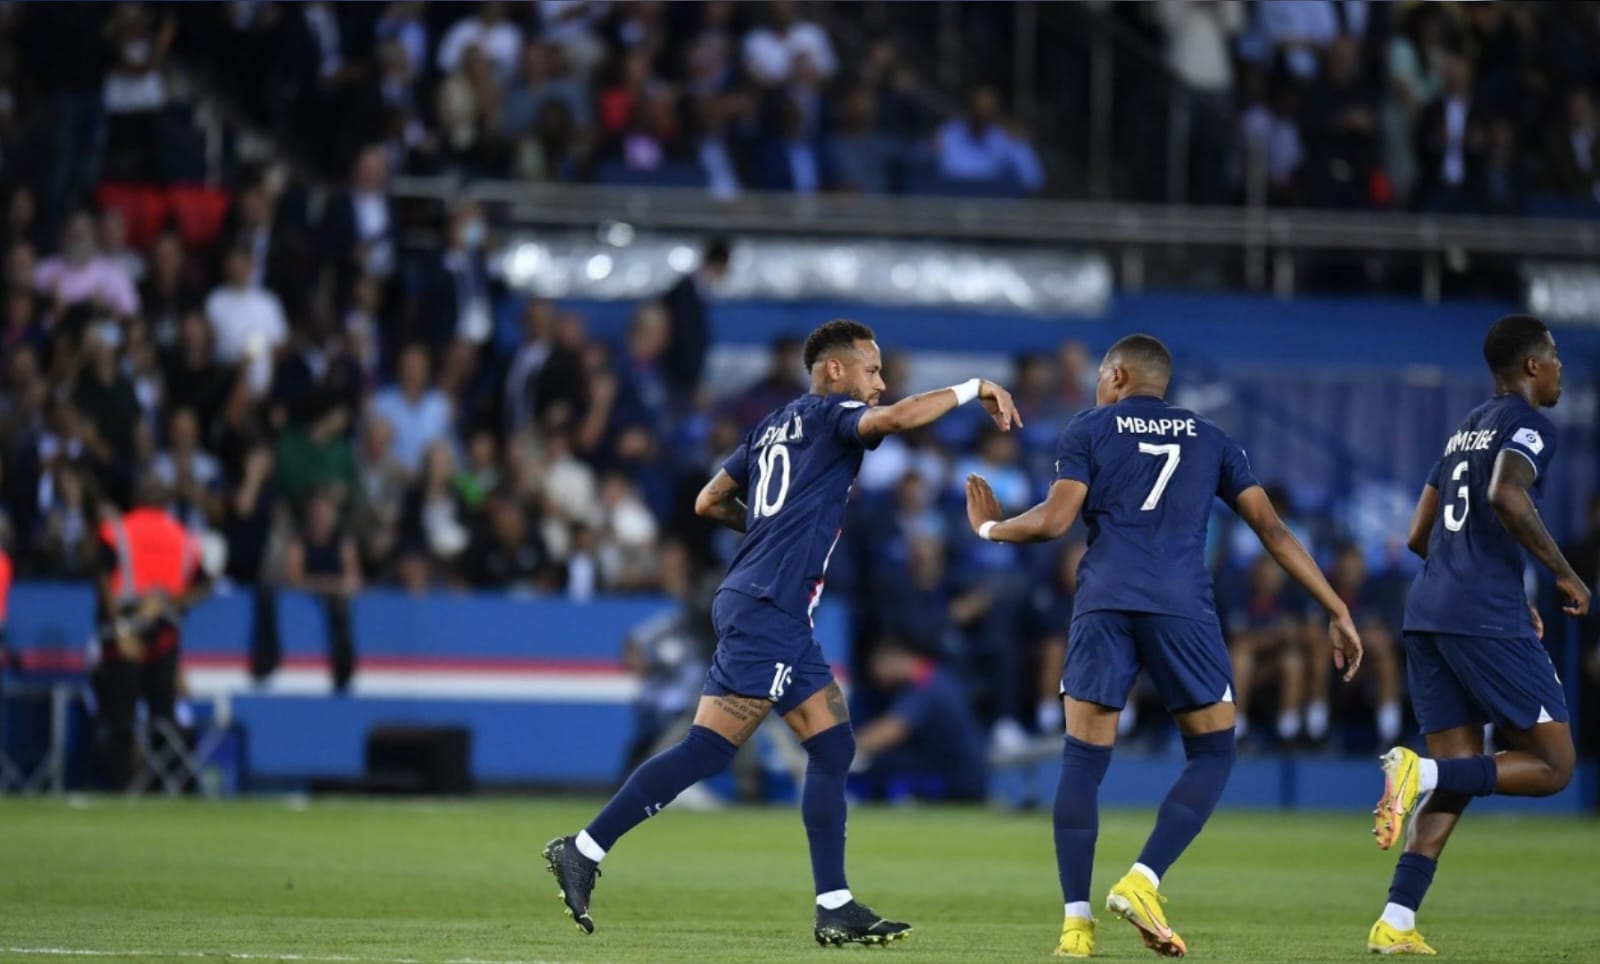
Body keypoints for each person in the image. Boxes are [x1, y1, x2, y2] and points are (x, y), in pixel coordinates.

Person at [543, 319, 1020, 945]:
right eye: (872, 370)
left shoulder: (773, 424)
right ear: (834, 371)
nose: (880, 383)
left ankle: (835, 904)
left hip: (771, 609)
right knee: (708, 750)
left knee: (832, 746)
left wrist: (772, 529)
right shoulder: (833, 415)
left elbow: (710, 500)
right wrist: (974, 386)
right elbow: (900, 418)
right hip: (767, 607)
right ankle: (583, 848)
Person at [963, 333, 1362, 958]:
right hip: (1182, 604)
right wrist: (1337, 608)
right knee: (1213, 752)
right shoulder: (1213, 438)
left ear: (1118, 376)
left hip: (1105, 600)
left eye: (1101, 376)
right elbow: (1272, 530)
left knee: (1082, 761)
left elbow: (1054, 521)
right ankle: (1143, 880)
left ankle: (1075, 928)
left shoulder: (1088, 428)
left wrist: (989, 527)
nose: (1098, 387)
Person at [1366, 315, 1589, 955]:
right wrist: (1563, 574)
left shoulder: (1464, 430)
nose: (1561, 368)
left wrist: (1483, 583)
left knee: (1457, 775)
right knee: (1555, 766)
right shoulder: (1529, 425)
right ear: (1532, 366)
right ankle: (1417, 771)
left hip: (1429, 612)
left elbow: (1419, 535)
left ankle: (1396, 921)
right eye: (1554, 356)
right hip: (1482, 616)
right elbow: (1507, 495)